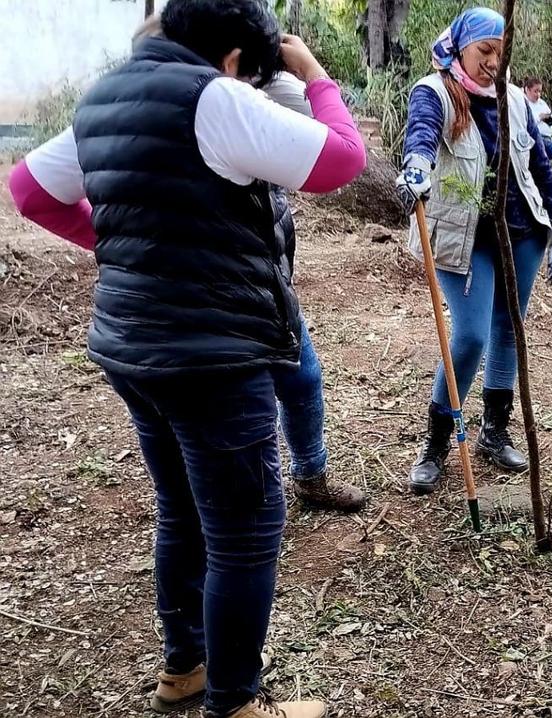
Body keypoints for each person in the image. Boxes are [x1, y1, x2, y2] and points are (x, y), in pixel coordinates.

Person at [7, 1, 366, 716]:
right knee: (246, 531)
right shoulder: (215, 96)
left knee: (181, 508)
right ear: (234, 58)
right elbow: (341, 161)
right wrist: (316, 75)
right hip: (211, 357)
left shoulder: (104, 95)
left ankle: (186, 669)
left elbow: (28, 190)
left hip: (132, 348)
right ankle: (235, 703)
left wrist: (123, 250)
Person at [395, 7, 552, 496]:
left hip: (522, 235)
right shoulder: (436, 93)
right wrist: (416, 167)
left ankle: (495, 431)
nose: (494, 62)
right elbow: (422, 135)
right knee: (471, 336)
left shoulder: (515, 99)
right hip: (465, 238)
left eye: (501, 52)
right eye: (484, 52)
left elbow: (540, 167)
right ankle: (435, 444)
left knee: (509, 330)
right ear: (461, 49)